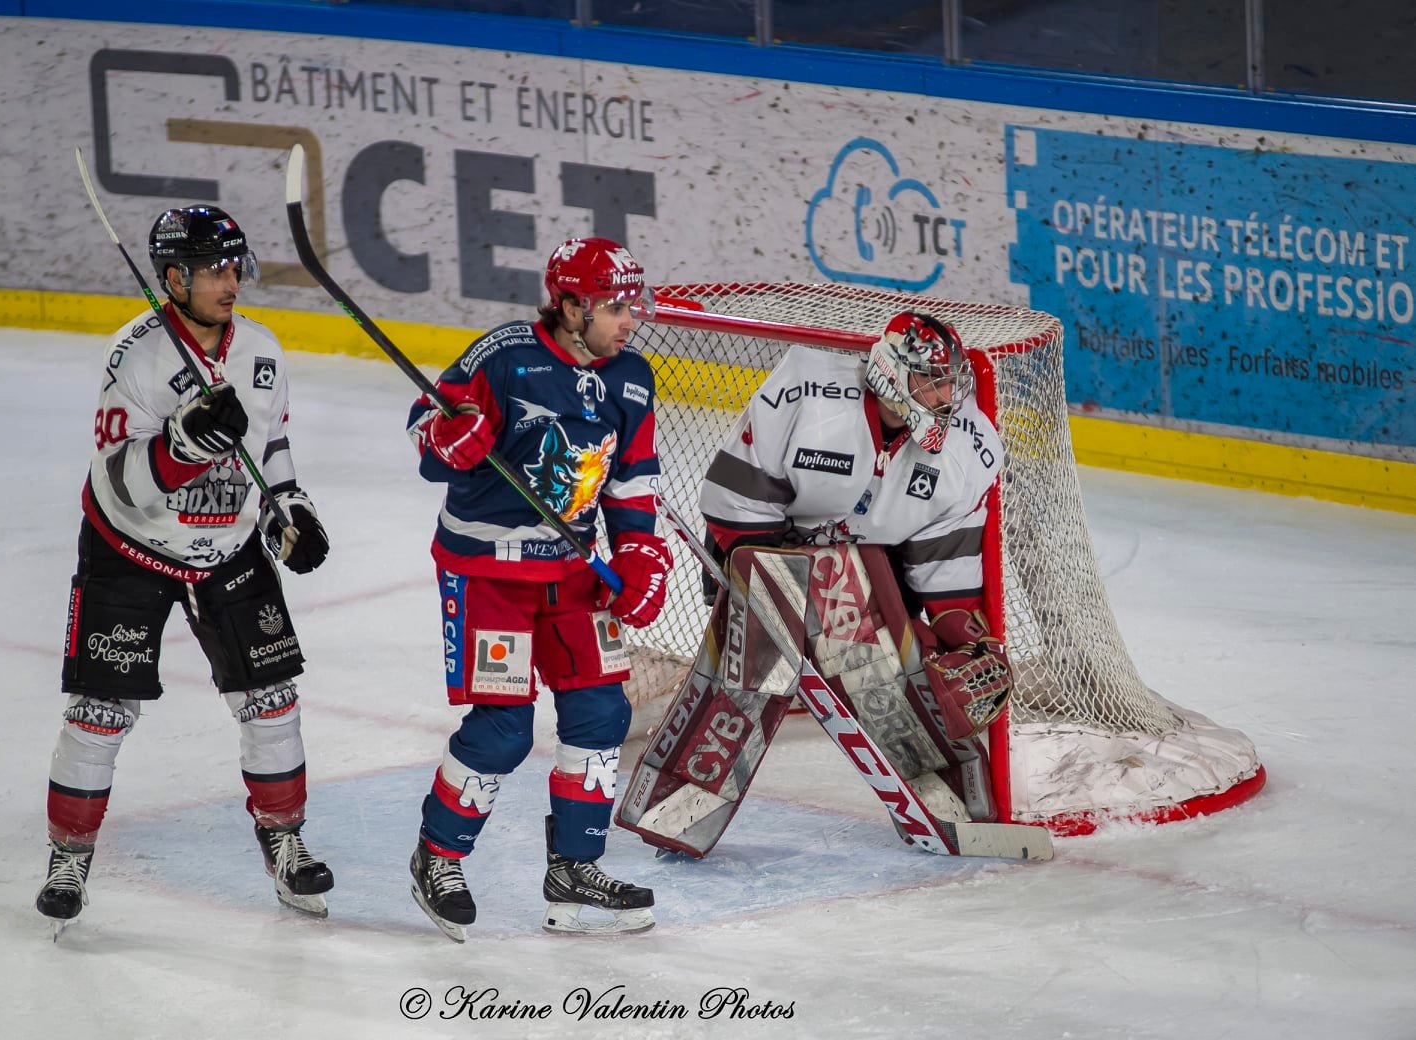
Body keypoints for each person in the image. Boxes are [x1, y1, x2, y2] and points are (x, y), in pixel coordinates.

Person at [35, 206, 333, 929]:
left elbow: (273, 449)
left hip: (230, 550)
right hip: (130, 549)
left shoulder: (262, 351)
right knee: (99, 713)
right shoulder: (134, 358)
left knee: (272, 700)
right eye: (212, 270)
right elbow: (119, 481)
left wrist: (288, 509)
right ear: (172, 279)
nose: (230, 281)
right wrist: (185, 442)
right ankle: (69, 857)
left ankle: (285, 842)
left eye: (235, 266)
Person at [404, 237, 670, 941]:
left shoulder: (632, 378)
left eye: (630, 305)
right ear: (570, 304)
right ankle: (438, 858)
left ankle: (574, 871)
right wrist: (446, 439)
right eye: (614, 307)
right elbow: (425, 427)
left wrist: (640, 554)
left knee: (601, 713)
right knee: (502, 731)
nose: (629, 320)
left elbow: (632, 484)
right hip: (488, 571)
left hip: (575, 571)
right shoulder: (506, 355)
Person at [698, 310, 1013, 791]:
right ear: (891, 374)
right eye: (931, 381)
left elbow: (947, 571)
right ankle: (702, 762)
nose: (947, 398)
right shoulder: (807, 395)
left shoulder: (970, 449)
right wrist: (803, 596)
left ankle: (936, 769)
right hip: (761, 549)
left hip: (873, 569)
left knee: (924, 665)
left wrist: (965, 642)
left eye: (950, 383)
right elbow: (734, 504)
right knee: (767, 662)